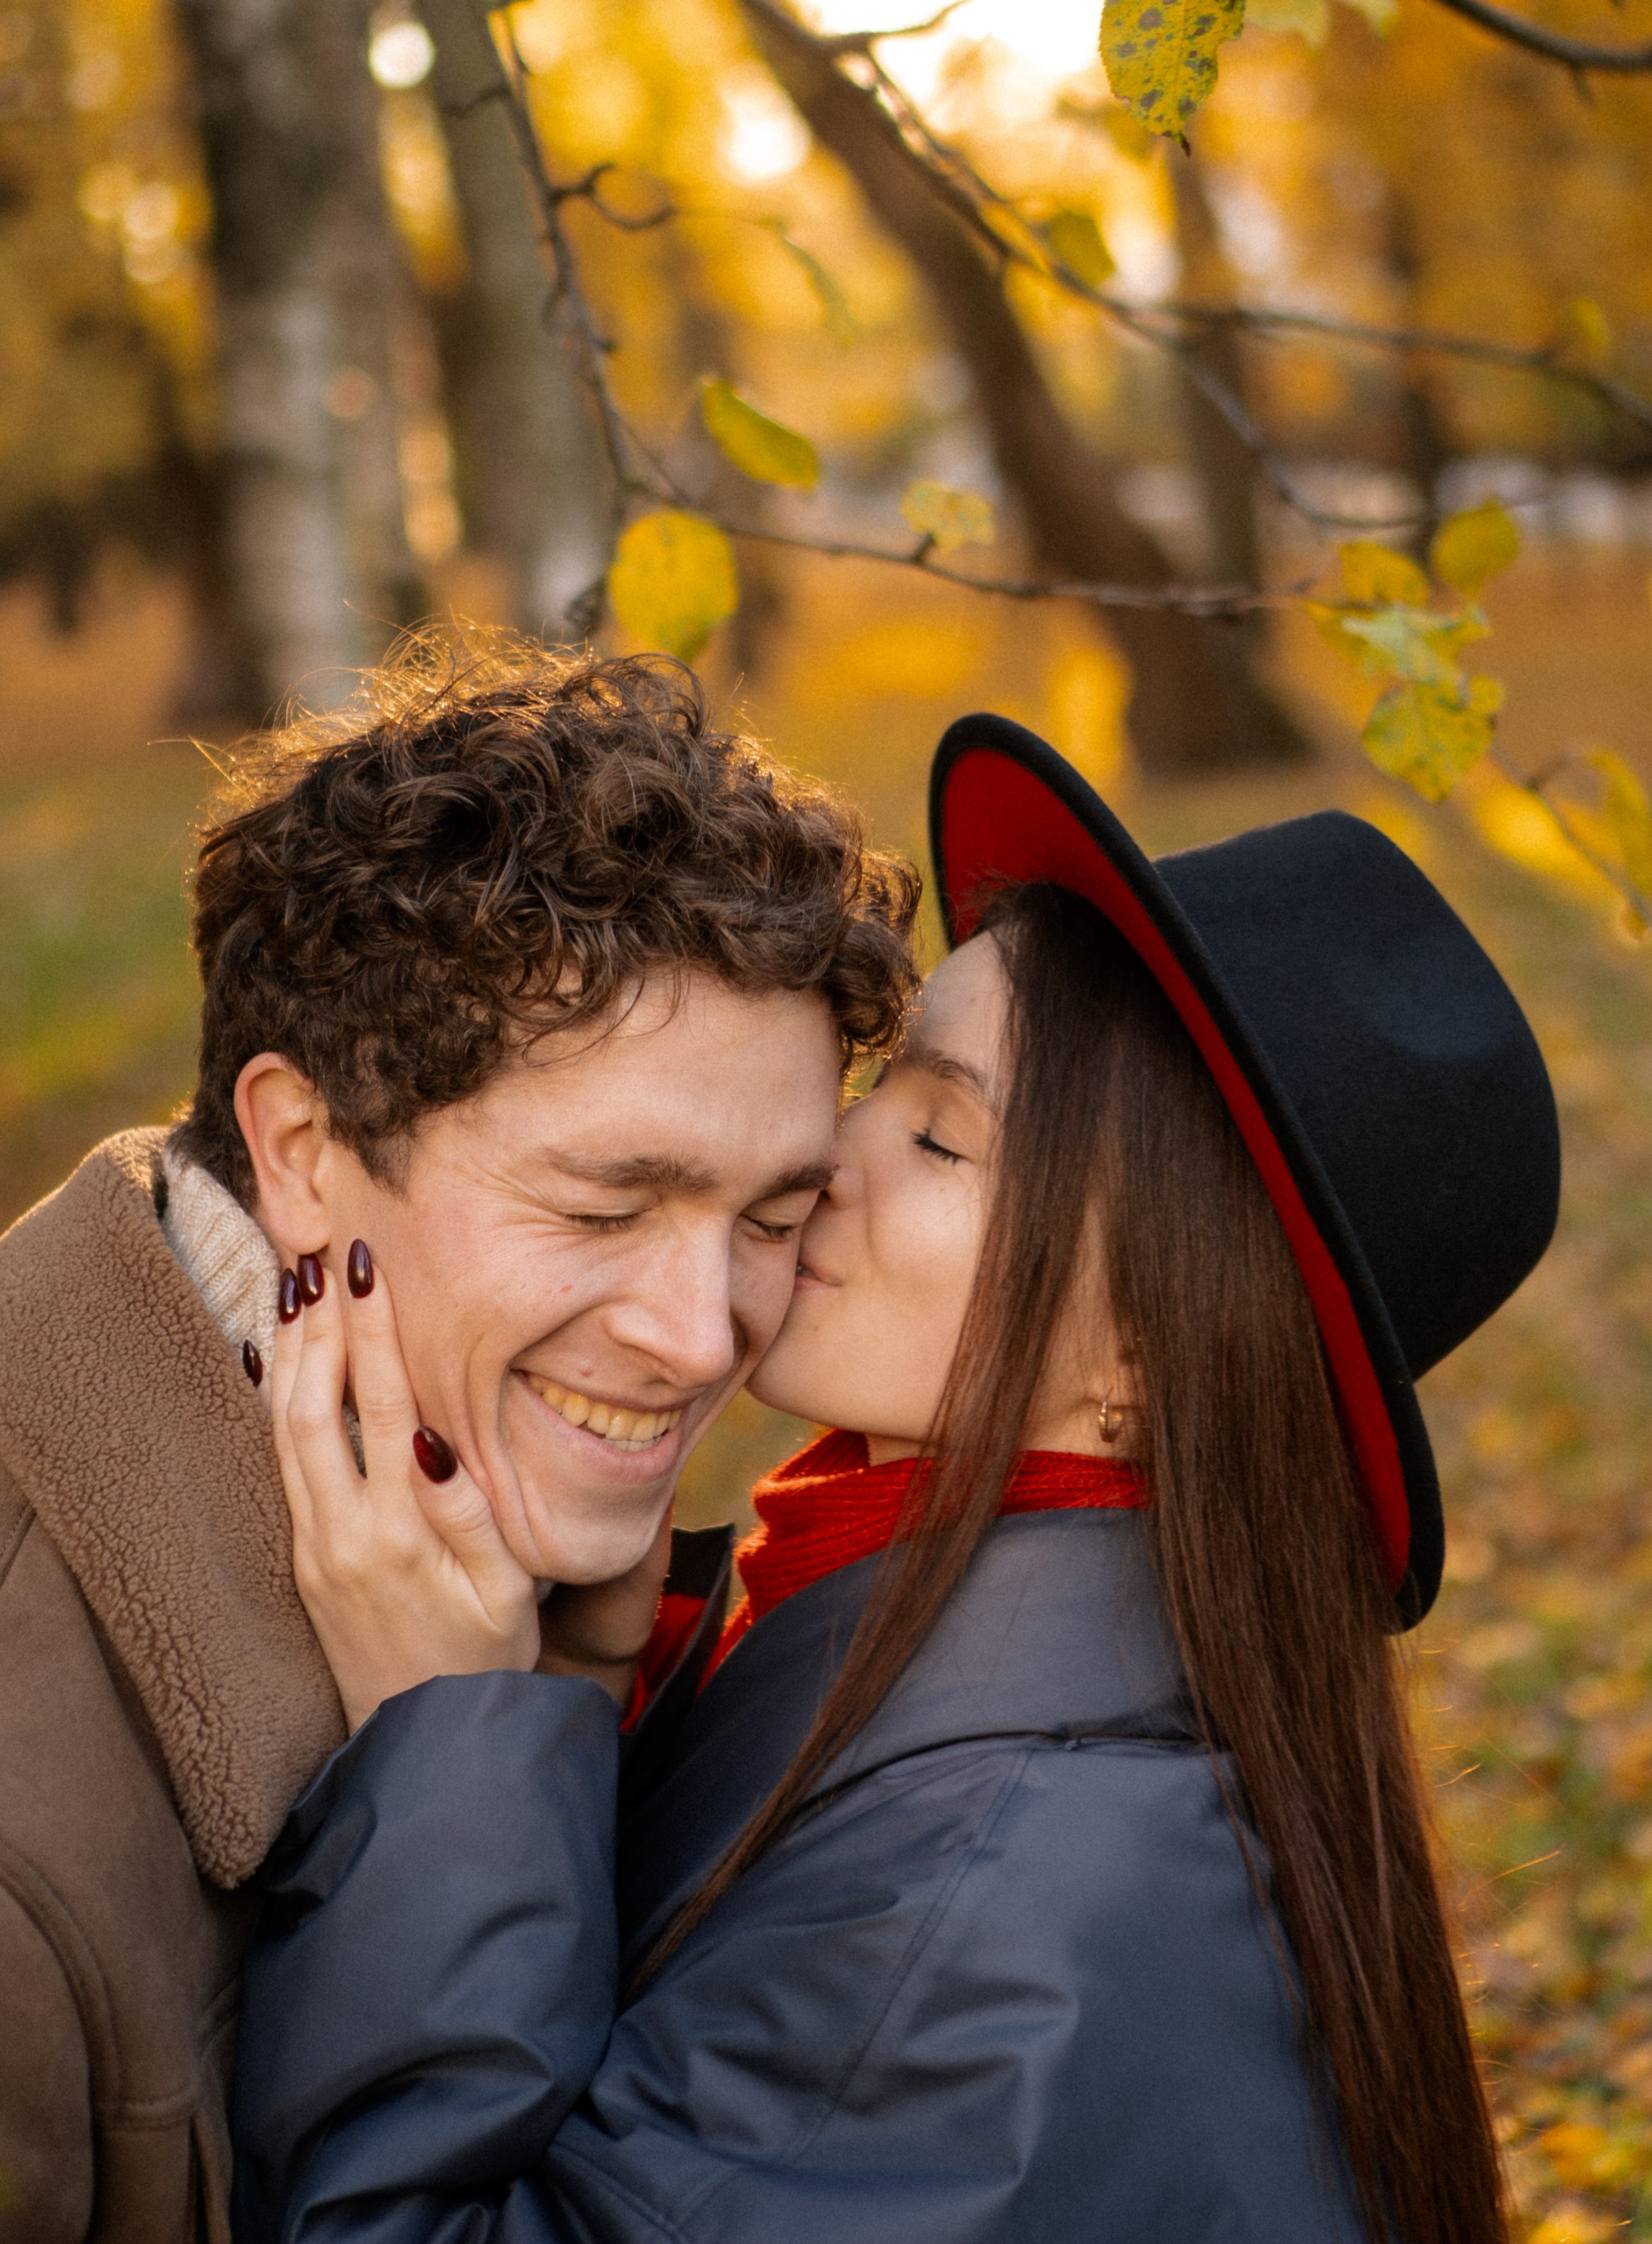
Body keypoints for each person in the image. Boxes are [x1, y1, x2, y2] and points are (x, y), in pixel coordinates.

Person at [231, 712, 1561, 2244]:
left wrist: (441, 1748)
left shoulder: (995, 1897)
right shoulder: (916, 1643)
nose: (819, 1163)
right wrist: (595, 1681)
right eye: (885, 1080)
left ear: (1144, 1367)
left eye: (938, 1138)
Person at [0, 635, 916, 2244]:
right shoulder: (27, 1857)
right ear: (301, 1149)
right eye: (600, 1205)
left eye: (770, 1216)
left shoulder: (526, 1564)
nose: (703, 1337)